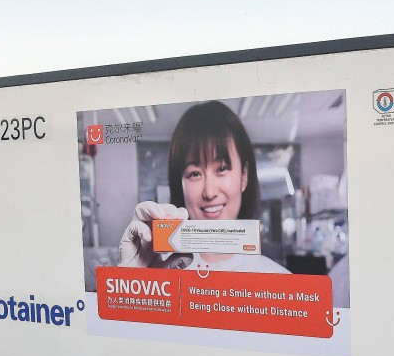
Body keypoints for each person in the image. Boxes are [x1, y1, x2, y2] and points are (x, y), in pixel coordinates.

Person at [119, 101, 288, 273]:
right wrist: (134, 284)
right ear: (180, 184)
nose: (209, 192)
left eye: (222, 169)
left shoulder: (280, 279)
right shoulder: (159, 271)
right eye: (195, 173)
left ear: (244, 176)